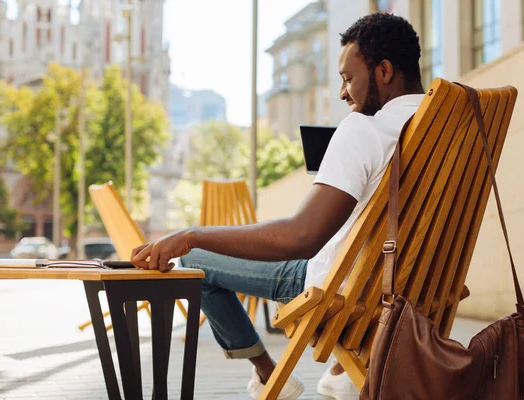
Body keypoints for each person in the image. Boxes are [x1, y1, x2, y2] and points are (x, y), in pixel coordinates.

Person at [132, 13, 425, 400]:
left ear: (384, 71)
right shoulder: (443, 127)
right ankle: (346, 369)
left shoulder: (363, 129)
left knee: (196, 261)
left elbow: (300, 237)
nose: (343, 93)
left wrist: (189, 236)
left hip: (341, 293)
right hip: (415, 292)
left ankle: (271, 375)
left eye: (348, 78)